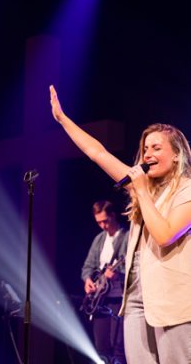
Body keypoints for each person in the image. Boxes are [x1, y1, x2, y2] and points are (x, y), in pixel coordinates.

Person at [49, 85, 191, 364]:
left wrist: (141, 190)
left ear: (176, 154)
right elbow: (97, 153)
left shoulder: (186, 190)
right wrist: (63, 119)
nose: (147, 153)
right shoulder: (142, 188)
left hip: (174, 299)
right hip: (137, 293)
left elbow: (164, 235)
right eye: (145, 148)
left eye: (156, 147)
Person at [81, 200, 128, 364]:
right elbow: (88, 266)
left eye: (105, 221)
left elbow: (134, 269)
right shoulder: (99, 239)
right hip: (101, 300)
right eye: (99, 222)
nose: (103, 225)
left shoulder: (127, 237)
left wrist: (118, 276)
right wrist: (88, 280)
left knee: (118, 347)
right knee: (101, 346)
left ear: (113, 216)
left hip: (119, 300)